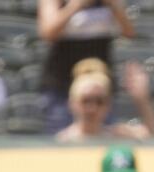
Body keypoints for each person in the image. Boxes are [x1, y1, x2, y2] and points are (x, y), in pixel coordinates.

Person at [38, 0, 134, 133]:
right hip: (62, 86)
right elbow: (48, 32)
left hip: (99, 88)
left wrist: (112, 5)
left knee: (103, 137)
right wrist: (75, 5)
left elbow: (129, 32)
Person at [55, 60, 154, 143]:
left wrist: (142, 100)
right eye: (86, 101)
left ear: (108, 105)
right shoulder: (63, 141)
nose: (92, 108)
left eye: (99, 101)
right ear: (72, 103)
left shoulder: (118, 135)